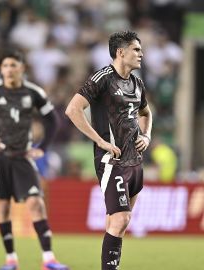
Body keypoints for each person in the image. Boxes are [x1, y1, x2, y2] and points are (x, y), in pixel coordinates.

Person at [0, 50, 68, 270]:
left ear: (22, 68)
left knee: (36, 203)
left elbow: (53, 121)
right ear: (1, 69)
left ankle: (48, 259)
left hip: (23, 157)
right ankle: (11, 259)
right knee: (3, 207)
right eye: (5, 65)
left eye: (13, 65)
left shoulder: (33, 92)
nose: (9, 69)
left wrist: (43, 147)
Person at [65, 30, 153, 270]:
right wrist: (101, 142)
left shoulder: (137, 83)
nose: (141, 54)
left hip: (135, 161)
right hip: (111, 160)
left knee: (118, 223)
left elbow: (146, 112)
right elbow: (73, 109)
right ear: (120, 52)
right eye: (136, 49)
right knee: (121, 219)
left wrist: (146, 135)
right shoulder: (103, 78)